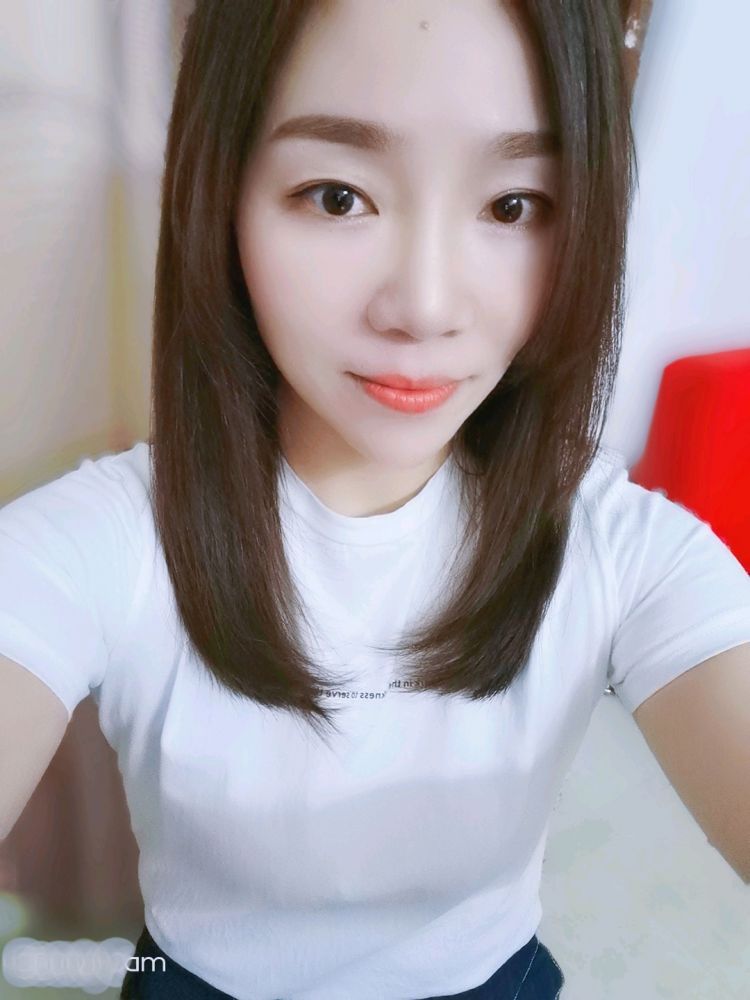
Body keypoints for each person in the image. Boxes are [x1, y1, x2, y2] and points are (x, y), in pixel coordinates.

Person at [1, 1, 748, 998]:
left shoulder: (622, 547)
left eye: (514, 206)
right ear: (222, 193)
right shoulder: (103, 540)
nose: (425, 307)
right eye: (338, 196)